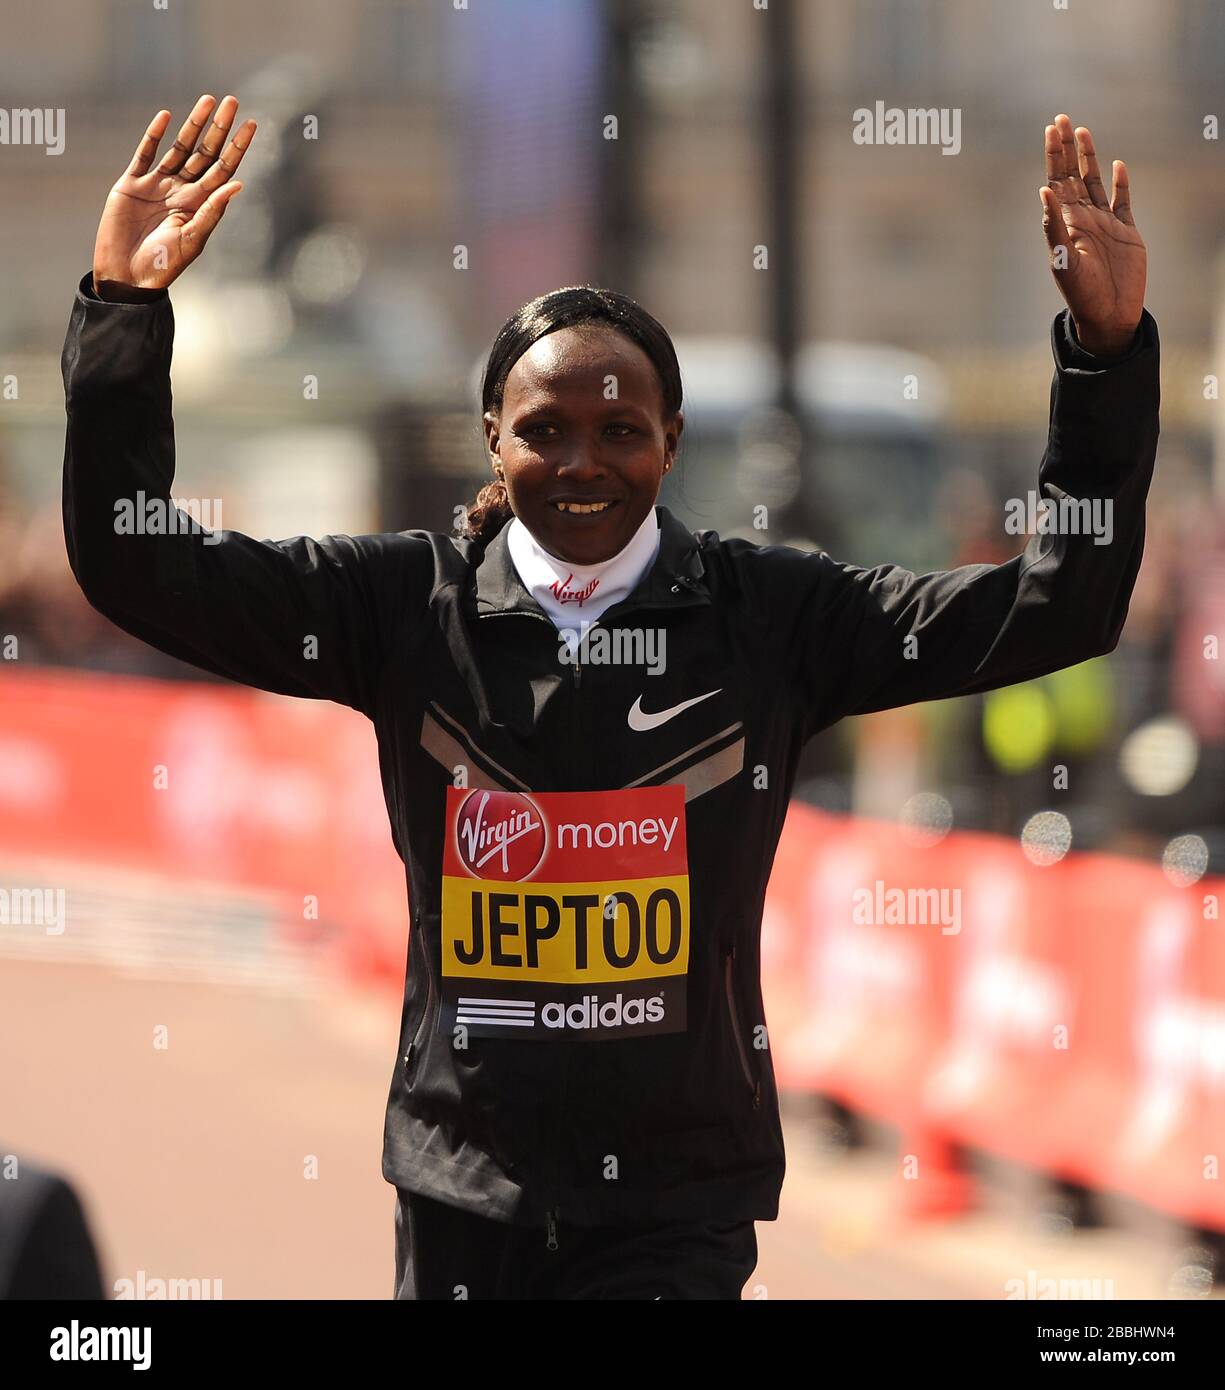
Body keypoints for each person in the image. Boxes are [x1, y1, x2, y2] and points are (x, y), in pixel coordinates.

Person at [62, 95, 1158, 1300]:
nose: (583, 461)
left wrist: (1101, 362)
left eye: (620, 428)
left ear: (672, 440)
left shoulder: (774, 617)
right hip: (465, 1184)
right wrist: (124, 312)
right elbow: (141, 568)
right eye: (546, 429)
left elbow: (1063, 605)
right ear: (492, 439)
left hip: (676, 1202)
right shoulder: (399, 607)